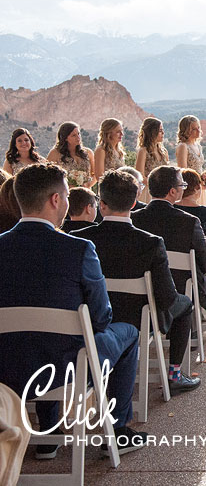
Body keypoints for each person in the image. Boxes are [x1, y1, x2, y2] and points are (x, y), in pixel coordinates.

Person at [0, 163, 146, 458]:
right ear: (55, 199)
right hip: (65, 371)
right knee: (128, 332)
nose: (67, 202)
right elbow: (101, 318)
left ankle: (50, 431)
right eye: (66, 196)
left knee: (35, 339)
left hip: (5, 369)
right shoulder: (79, 249)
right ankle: (117, 430)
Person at [74, 170, 201, 395]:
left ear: (101, 204)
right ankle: (174, 373)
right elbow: (167, 298)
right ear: (134, 203)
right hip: (139, 319)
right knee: (185, 305)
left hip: (95, 318)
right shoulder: (151, 243)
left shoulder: (81, 240)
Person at [131, 166, 206, 311]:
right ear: (172, 192)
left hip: (143, 293)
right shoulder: (189, 222)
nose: (184, 188)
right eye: (182, 185)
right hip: (184, 292)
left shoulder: (134, 218)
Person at [47, 122, 97, 188]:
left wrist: (88, 185)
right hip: (65, 194)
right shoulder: (55, 153)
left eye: (78, 134)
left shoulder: (88, 152)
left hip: (86, 193)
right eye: (74, 135)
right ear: (65, 138)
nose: (78, 137)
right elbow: (47, 176)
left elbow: (96, 174)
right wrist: (65, 186)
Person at [176, 115, 206, 207]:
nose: (198, 131)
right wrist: (195, 186)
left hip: (200, 187)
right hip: (190, 190)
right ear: (186, 131)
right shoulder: (183, 146)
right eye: (194, 129)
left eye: (198, 127)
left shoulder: (198, 146)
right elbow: (183, 171)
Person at [135, 117, 169, 204]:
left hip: (164, 193)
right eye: (160, 131)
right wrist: (156, 186)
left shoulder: (164, 151)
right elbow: (140, 175)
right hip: (148, 192)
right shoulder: (143, 151)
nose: (163, 133)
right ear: (152, 132)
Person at [93, 118, 126, 183]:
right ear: (109, 133)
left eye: (121, 131)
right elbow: (99, 176)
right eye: (118, 132)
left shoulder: (119, 151)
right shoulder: (101, 150)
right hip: (108, 189)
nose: (122, 134)